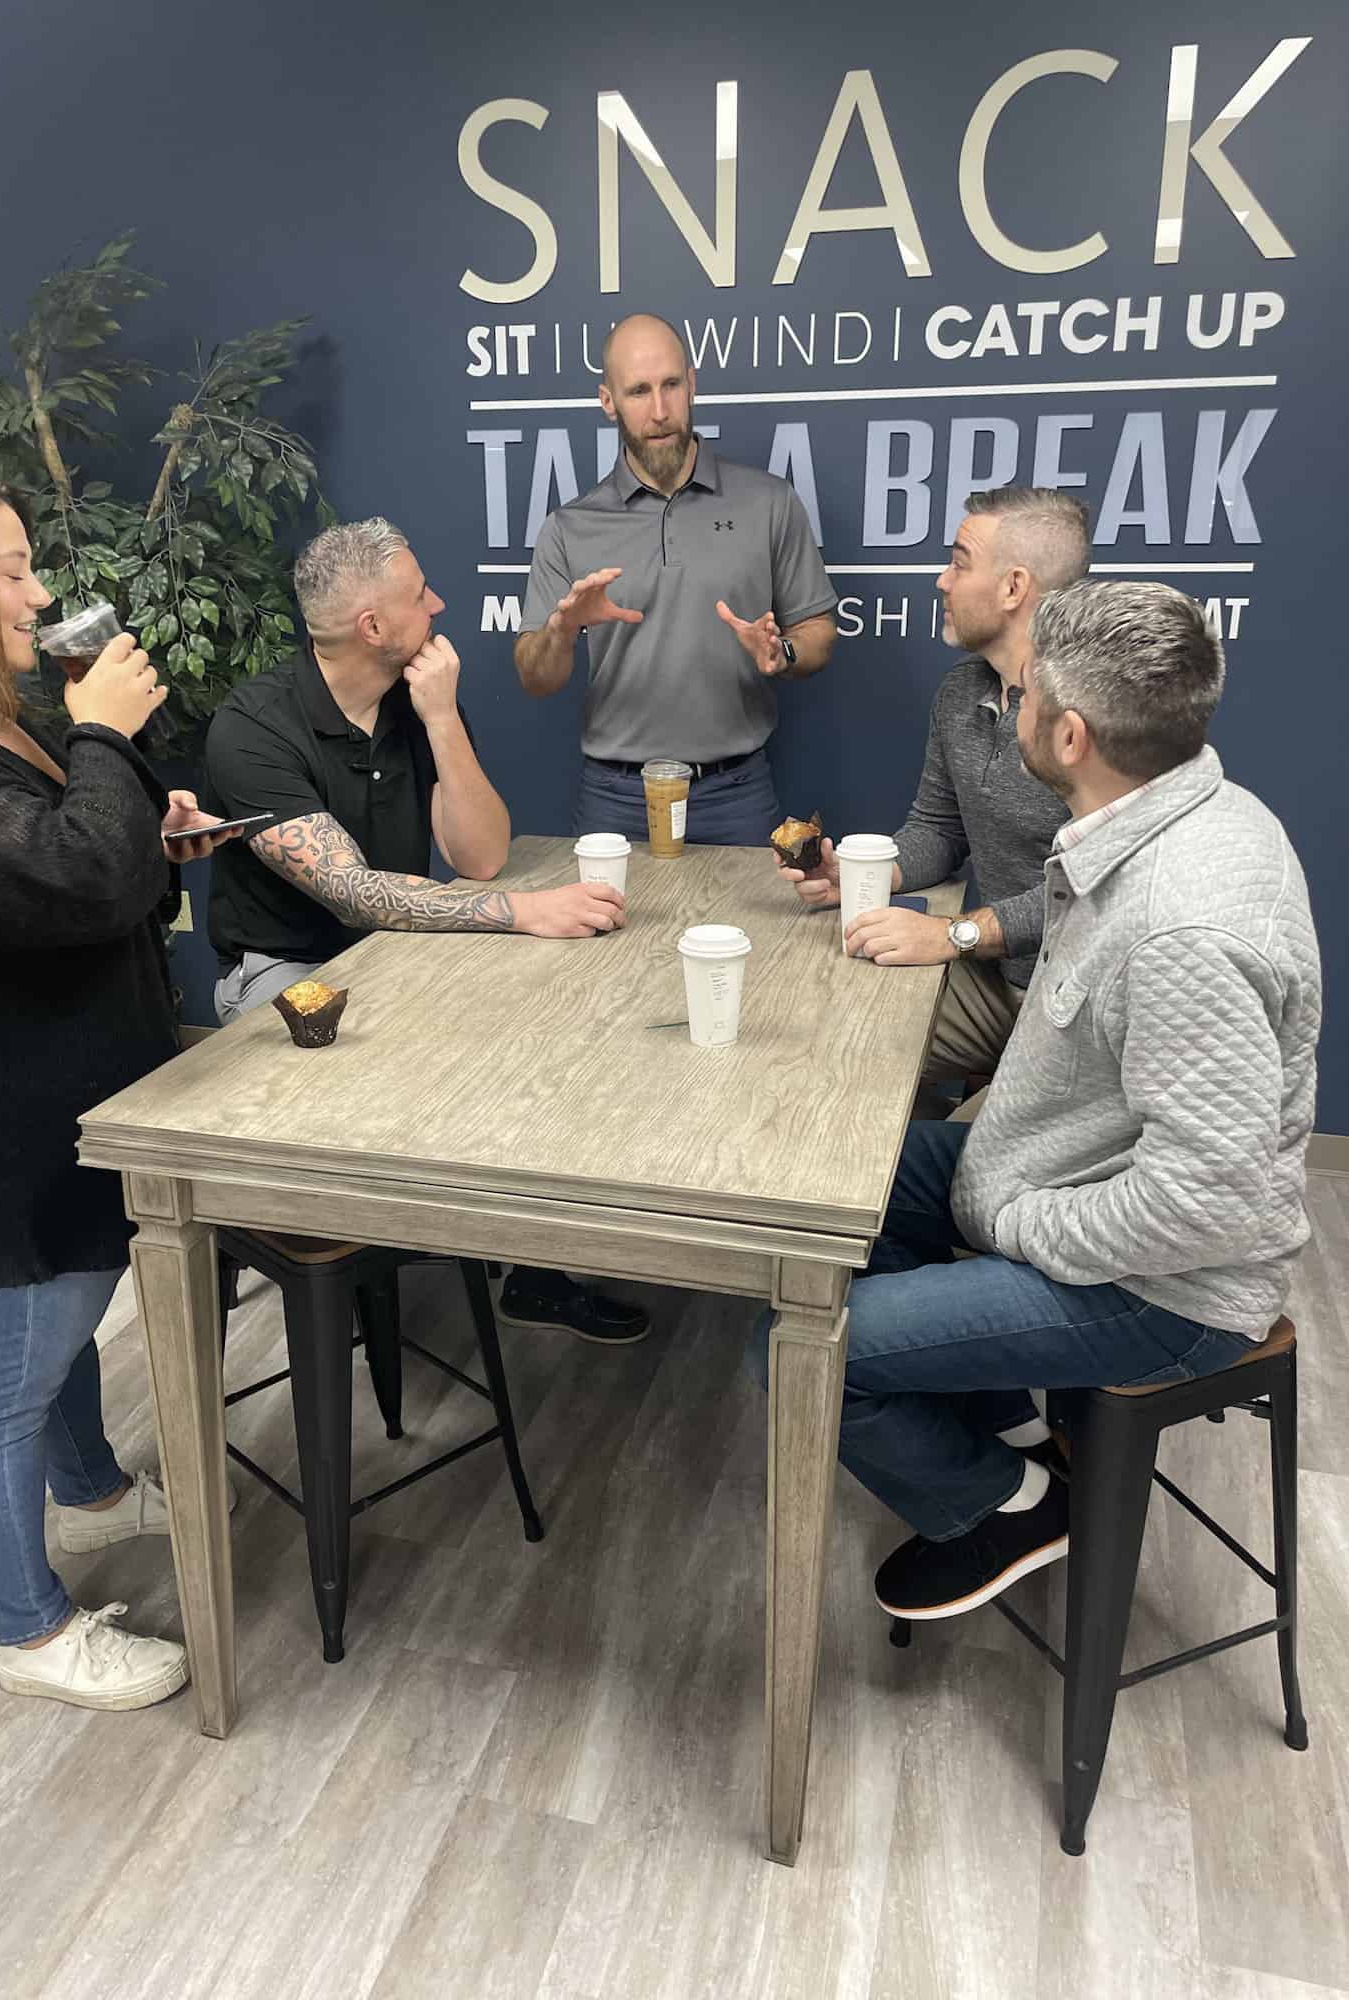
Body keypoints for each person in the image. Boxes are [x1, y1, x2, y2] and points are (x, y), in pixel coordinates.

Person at [759, 579, 1320, 1622]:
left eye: (1023, 698)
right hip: (1067, 1169)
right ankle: (1014, 1424)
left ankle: (1006, 1507)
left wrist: (1012, 1221)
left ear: (1069, 735)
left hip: (1169, 1292)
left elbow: (1205, 1205)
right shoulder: (1177, 810)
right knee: (837, 1189)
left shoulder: (1181, 926)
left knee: (802, 1346)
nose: (1004, 707)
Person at [0, 457, 243, 1709]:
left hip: (56, 1107)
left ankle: (91, 1499)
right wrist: (107, 739)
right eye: (10, 571)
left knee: (65, 1333)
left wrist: (145, 822)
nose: (38, 593)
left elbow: (88, 875)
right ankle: (30, 1635)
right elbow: (66, 881)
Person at [203, 516, 650, 1344]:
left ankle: (530, 1270)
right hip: (286, 974)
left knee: (530, 1051)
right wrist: (524, 912)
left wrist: (441, 720)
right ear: (374, 628)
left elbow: (478, 857)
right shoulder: (254, 727)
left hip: (399, 953)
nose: (440, 605)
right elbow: (358, 898)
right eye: (421, 596)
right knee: (407, 1079)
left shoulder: (416, 698)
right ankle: (360, 1259)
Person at [779, 487, 1090, 1117]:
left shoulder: (1099, 710)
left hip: (1077, 1015)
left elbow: (1093, 888)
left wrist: (957, 933)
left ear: (1013, 588)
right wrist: (869, 876)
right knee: (832, 1041)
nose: (942, 580)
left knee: (961, 1175)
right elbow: (938, 830)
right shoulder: (961, 692)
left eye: (959, 562)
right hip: (998, 981)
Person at [514, 312, 839, 844]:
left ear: (692, 383)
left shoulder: (769, 502)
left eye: (670, 385)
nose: (660, 411)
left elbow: (820, 633)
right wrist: (560, 631)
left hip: (737, 792)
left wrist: (784, 653)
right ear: (608, 401)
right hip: (615, 798)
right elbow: (534, 677)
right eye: (638, 391)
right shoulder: (569, 527)